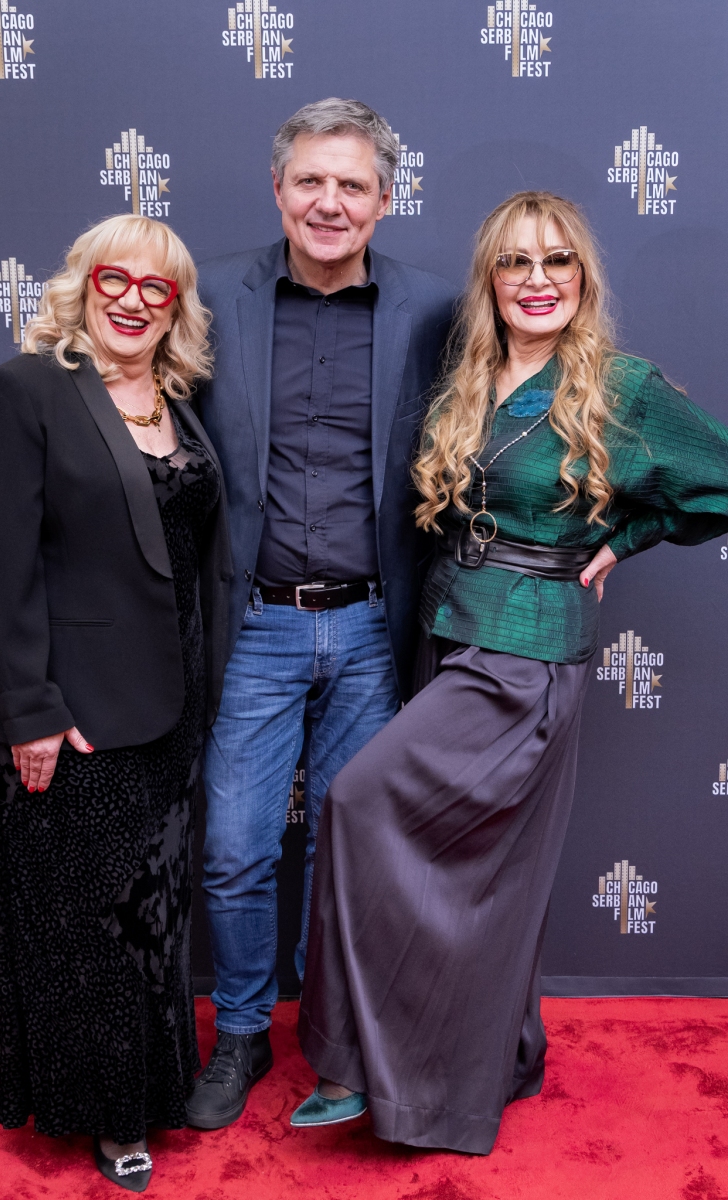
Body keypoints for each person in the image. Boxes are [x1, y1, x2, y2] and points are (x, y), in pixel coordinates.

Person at [294, 190, 728, 1151]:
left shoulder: (620, 385)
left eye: (557, 260)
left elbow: (720, 482)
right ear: (489, 279)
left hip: (526, 651)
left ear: (584, 276)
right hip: (449, 629)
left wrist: (629, 535)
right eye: (516, 262)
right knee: (489, 873)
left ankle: (363, 1066)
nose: (538, 280)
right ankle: (494, 1060)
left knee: (359, 802)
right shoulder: (470, 374)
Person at [185, 98, 458, 1131]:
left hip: (372, 630)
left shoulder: (434, 310)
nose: (329, 202)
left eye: (352, 184)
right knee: (235, 848)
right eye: (310, 181)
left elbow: (504, 423)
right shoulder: (212, 295)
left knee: (353, 856)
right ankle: (243, 1032)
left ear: (385, 200)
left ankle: (336, 1041)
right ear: (278, 189)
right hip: (252, 622)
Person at [0, 214, 232, 1191]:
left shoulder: (178, 400)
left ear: (175, 307)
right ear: (82, 285)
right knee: (88, 922)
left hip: (173, 704)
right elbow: (5, 565)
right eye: (112, 280)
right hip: (74, 711)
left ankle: (155, 1087)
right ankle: (110, 1116)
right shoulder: (25, 390)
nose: (131, 300)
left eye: (155, 287)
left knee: (154, 913)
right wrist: (30, 709)